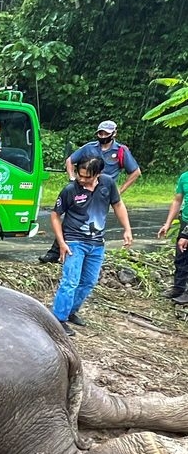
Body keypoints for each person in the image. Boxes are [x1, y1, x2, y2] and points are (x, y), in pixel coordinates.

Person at [50, 156, 133, 336]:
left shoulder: (107, 184)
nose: (82, 179)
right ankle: (58, 320)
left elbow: (118, 205)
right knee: (70, 281)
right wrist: (61, 243)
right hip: (74, 241)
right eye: (80, 175)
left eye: (87, 177)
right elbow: (55, 216)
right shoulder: (70, 190)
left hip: (96, 243)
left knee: (88, 281)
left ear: (98, 174)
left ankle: (71, 311)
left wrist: (127, 229)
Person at [40, 120, 140, 263]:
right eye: (100, 133)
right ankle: (56, 251)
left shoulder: (120, 151)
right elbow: (70, 160)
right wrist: (72, 177)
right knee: (72, 219)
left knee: (94, 221)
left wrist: (119, 190)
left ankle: (88, 256)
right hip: (82, 188)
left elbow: (135, 172)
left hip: (103, 191)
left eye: (106, 133)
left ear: (114, 133)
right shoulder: (89, 148)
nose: (103, 135)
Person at [156, 168, 188, 304]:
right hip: (185, 221)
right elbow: (177, 200)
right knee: (181, 257)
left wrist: (187, 235)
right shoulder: (184, 177)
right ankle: (179, 288)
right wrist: (168, 223)